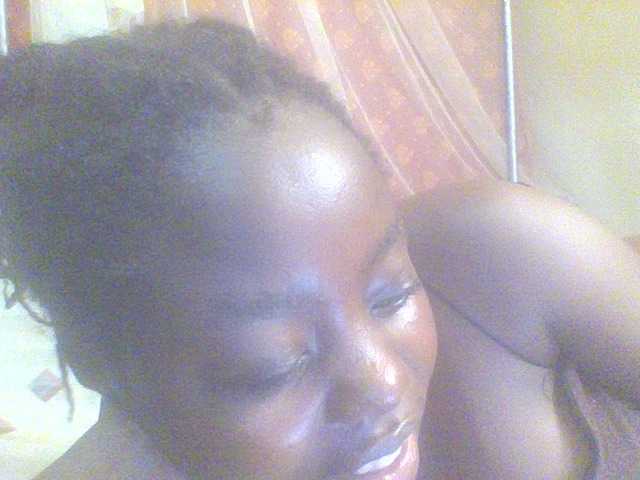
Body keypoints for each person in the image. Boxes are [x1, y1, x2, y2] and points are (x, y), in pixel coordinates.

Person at [0, 19, 637, 480]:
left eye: (392, 294)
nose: (381, 385)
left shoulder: (496, 253)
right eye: (273, 366)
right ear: (105, 373)